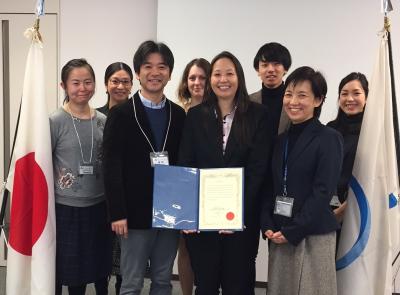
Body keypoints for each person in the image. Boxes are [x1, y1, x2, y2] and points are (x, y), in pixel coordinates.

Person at [179, 51, 271, 295]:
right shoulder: (196, 116)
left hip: (240, 222)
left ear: (239, 77)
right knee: (206, 285)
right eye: (217, 74)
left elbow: (257, 169)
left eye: (229, 73)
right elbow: (187, 164)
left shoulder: (258, 115)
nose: (223, 79)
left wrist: (238, 213)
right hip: (203, 221)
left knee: (238, 286)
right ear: (210, 79)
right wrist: (188, 212)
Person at [103, 40, 186, 295]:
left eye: (162, 66)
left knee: (162, 280)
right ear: (138, 73)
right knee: (132, 282)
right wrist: (117, 212)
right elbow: (111, 165)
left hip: (169, 213)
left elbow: (184, 164)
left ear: (170, 73)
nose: (155, 72)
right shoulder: (121, 114)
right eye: (148, 66)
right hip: (134, 214)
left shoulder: (178, 114)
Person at [260, 66, 343, 295]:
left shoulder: (329, 138)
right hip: (280, 232)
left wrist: (294, 230)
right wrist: (266, 222)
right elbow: (271, 186)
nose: (293, 101)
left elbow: (323, 191)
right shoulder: (280, 141)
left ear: (318, 100)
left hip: (313, 234)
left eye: (302, 95)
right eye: (289, 94)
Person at [50, 58, 111, 295]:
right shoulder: (55, 121)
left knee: (95, 266)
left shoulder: (103, 121)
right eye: (75, 83)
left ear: (95, 85)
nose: (82, 88)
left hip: (98, 205)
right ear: (63, 86)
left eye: (88, 82)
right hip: (66, 207)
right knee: (68, 269)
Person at [97, 62, 133, 295]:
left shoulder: (138, 116)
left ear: (132, 85)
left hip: (126, 198)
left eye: (125, 82)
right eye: (115, 81)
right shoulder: (96, 116)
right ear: (106, 84)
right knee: (100, 258)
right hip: (98, 197)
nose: (120, 86)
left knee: (124, 263)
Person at [175, 57, 211, 295]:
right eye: (192, 78)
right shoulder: (179, 114)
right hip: (184, 189)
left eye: (202, 77)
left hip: (212, 191)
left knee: (209, 250)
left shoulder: (220, 112)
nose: (197, 82)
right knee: (184, 248)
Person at [327, 72, 368, 223]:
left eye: (356, 93)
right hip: (327, 209)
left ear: (367, 97)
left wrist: (345, 209)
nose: (349, 99)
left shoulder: (376, 133)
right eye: (344, 94)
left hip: (360, 209)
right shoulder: (329, 129)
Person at [250, 42, 292, 136]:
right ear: (258, 70)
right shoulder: (249, 101)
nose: (270, 70)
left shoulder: (294, 101)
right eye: (265, 65)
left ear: (285, 68)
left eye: (276, 64)